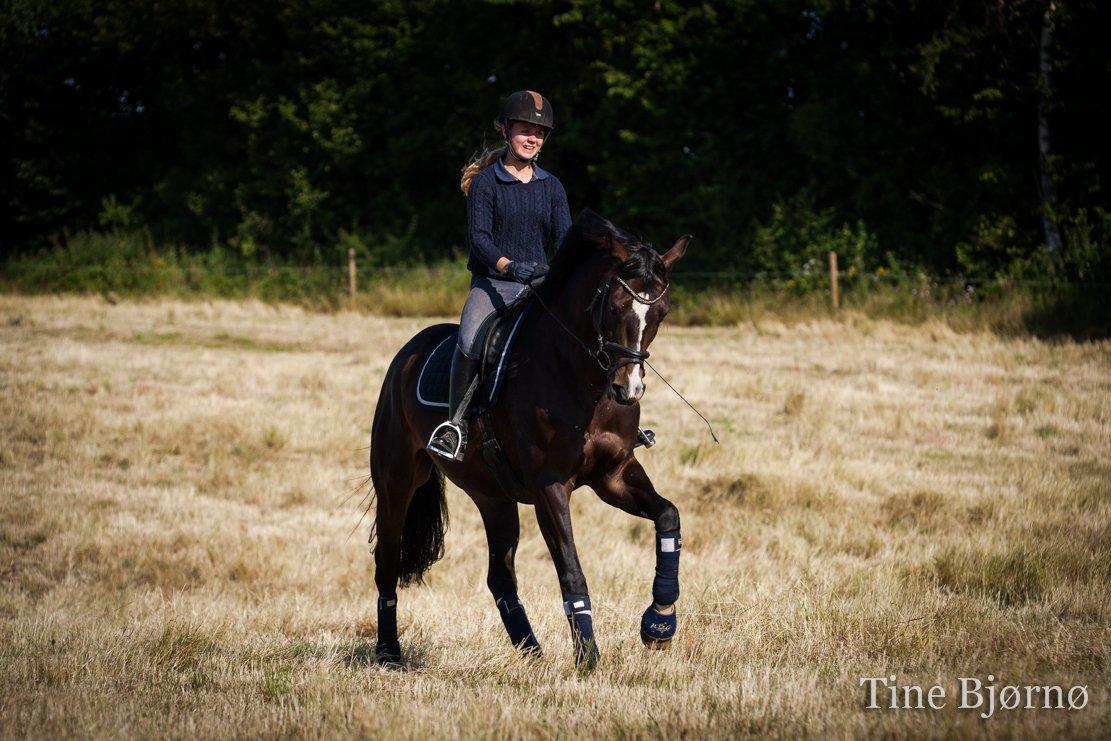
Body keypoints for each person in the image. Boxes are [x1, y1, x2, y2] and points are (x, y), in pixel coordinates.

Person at [426, 90, 572, 461]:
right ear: (506, 131)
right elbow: (479, 240)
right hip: (495, 284)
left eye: (539, 133)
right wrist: (509, 266)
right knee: (471, 337)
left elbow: (565, 241)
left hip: (539, 285)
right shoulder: (486, 184)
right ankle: (454, 426)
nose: (531, 138)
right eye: (525, 129)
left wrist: (561, 273)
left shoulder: (552, 186)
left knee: (585, 331)